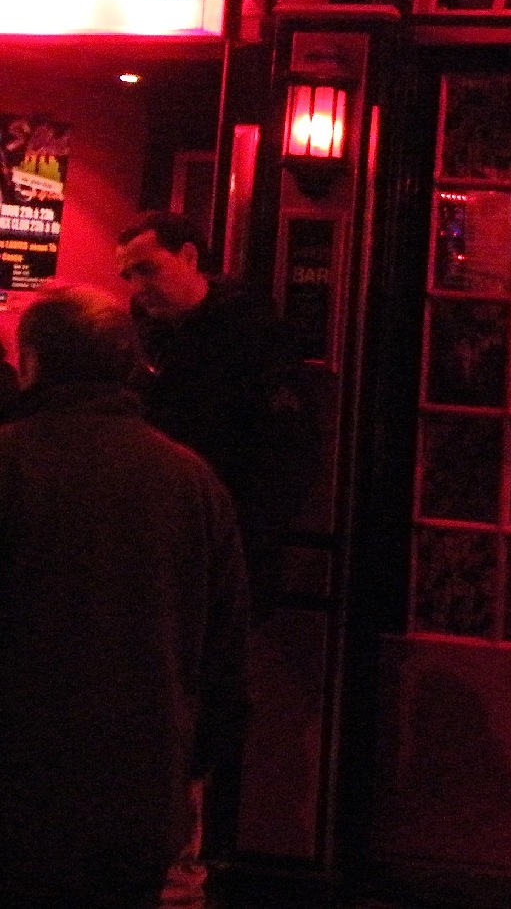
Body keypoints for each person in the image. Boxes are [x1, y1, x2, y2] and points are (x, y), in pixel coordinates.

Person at [0, 286, 248, 909]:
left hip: (20, 780)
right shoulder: (190, 478)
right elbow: (224, 649)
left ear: (33, 363)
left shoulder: (10, 463)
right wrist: (191, 761)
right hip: (141, 782)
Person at [115, 211, 316, 604]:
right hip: (159, 538)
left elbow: (289, 451)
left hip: (230, 540)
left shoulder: (255, 335)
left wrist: (243, 533)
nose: (138, 287)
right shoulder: (142, 339)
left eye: (148, 269)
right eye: (129, 276)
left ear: (189, 256)